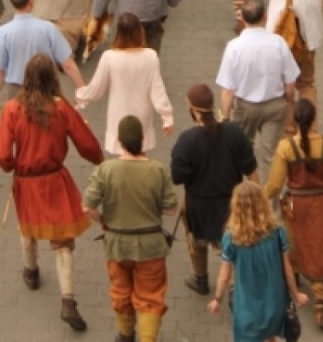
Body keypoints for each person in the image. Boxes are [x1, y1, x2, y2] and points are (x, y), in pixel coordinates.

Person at [0, 53, 103, 333]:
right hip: (55, 179)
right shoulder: (61, 108)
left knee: (28, 224)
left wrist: (11, 166)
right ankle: (68, 300)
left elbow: (3, 154)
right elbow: (86, 143)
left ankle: (30, 270)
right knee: (62, 240)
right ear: (53, 78)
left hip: (27, 180)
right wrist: (99, 160)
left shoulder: (13, 109)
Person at [82, 113, 178, 342]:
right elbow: (171, 209)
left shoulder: (106, 169)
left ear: (119, 140)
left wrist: (103, 221)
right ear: (142, 139)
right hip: (151, 246)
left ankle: (125, 334)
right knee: (151, 297)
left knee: (121, 291)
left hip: (117, 244)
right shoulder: (157, 170)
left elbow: (87, 207)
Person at [264, 99, 323, 331]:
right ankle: (320, 299)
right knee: (321, 250)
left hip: (295, 206)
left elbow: (275, 183)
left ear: (295, 120)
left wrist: (259, 199)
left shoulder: (286, 147)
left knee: (296, 244)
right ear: (314, 119)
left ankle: (295, 278)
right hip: (321, 203)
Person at [170, 82, 257, 297]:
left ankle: (200, 278)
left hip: (198, 207)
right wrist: (256, 201)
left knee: (196, 242)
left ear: (192, 110)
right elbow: (252, 171)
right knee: (234, 247)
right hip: (230, 205)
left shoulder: (186, 140)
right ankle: (235, 288)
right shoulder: (234, 133)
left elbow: (177, 177)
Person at [216, 0, 300, 184]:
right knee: (270, 156)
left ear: (243, 19)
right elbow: (290, 81)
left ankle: (241, 198)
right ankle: (271, 204)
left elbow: (227, 90)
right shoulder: (278, 43)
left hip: (245, 108)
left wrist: (225, 117)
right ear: (265, 16)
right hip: (274, 106)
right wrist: (289, 103)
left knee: (240, 152)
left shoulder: (234, 47)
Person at [207, 180, 307, 335]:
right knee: (270, 334)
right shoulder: (277, 231)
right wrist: (297, 294)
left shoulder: (232, 237)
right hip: (275, 299)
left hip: (247, 305)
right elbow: (287, 269)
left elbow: (224, 275)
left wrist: (217, 299)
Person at [77, 13, 173, 153]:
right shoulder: (150, 57)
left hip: (119, 114)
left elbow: (96, 88)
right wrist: (167, 116)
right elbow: (157, 91)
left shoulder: (109, 57)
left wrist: (81, 95)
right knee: (140, 151)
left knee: (123, 152)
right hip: (142, 114)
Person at [0, 0, 85, 113]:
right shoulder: (49, 29)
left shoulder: (2, 33)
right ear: (31, 1)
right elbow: (67, 63)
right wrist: (82, 89)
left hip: (17, 90)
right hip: (48, 87)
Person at [266, 0, 323, 132]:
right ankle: (310, 126)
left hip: (287, 48)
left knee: (285, 86)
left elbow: (272, 26)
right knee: (307, 84)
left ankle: (289, 124)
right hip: (308, 45)